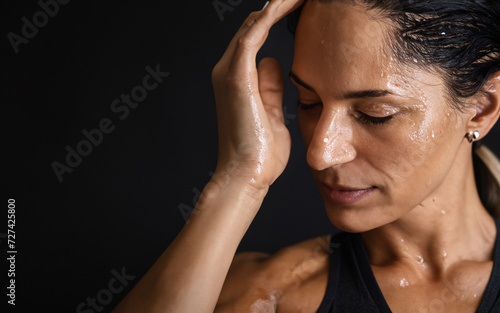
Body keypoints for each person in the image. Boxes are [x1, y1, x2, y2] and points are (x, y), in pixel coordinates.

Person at [113, 0, 500, 311]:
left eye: (374, 115)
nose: (319, 154)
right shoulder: (271, 296)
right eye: (309, 102)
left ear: (482, 106)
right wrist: (241, 178)